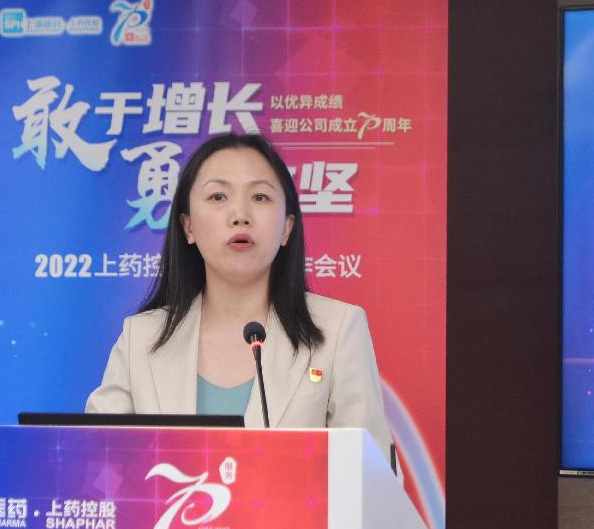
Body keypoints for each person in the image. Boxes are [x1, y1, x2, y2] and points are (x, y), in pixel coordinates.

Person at [86, 133, 391, 452]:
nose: (240, 215)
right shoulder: (141, 338)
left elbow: (371, 472)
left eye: (260, 197)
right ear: (188, 227)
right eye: (218, 196)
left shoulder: (338, 330)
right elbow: (93, 461)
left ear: (287, 228)